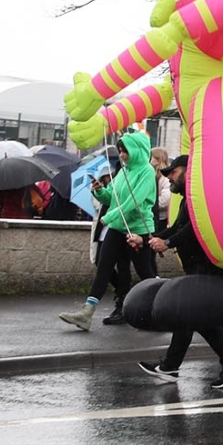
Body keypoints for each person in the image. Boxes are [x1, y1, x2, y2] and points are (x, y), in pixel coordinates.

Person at [133, 155, 223, 387]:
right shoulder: (189, 198)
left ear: (188, 170)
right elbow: (178, 227)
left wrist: (168, 243)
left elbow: (195, 229)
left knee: (193, 314)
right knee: (187, 315)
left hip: (205, 265)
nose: (169, 178)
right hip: (195, 265)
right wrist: (149, 240)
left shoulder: (200, 197)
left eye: (173, 172)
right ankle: (171, 367)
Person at [59, 130, 159, 330]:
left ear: (137, 150)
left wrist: (108, 218)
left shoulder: (147, 172)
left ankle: (161, 307)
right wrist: (99, 191)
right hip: (117, 227)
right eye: (120, 151)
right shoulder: (123, 171)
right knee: (104, 267)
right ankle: (89, 313)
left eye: (125, 151)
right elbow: (112, 199)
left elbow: (134, 202)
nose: (122, 155)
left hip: (138, 229)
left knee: (145, 272)